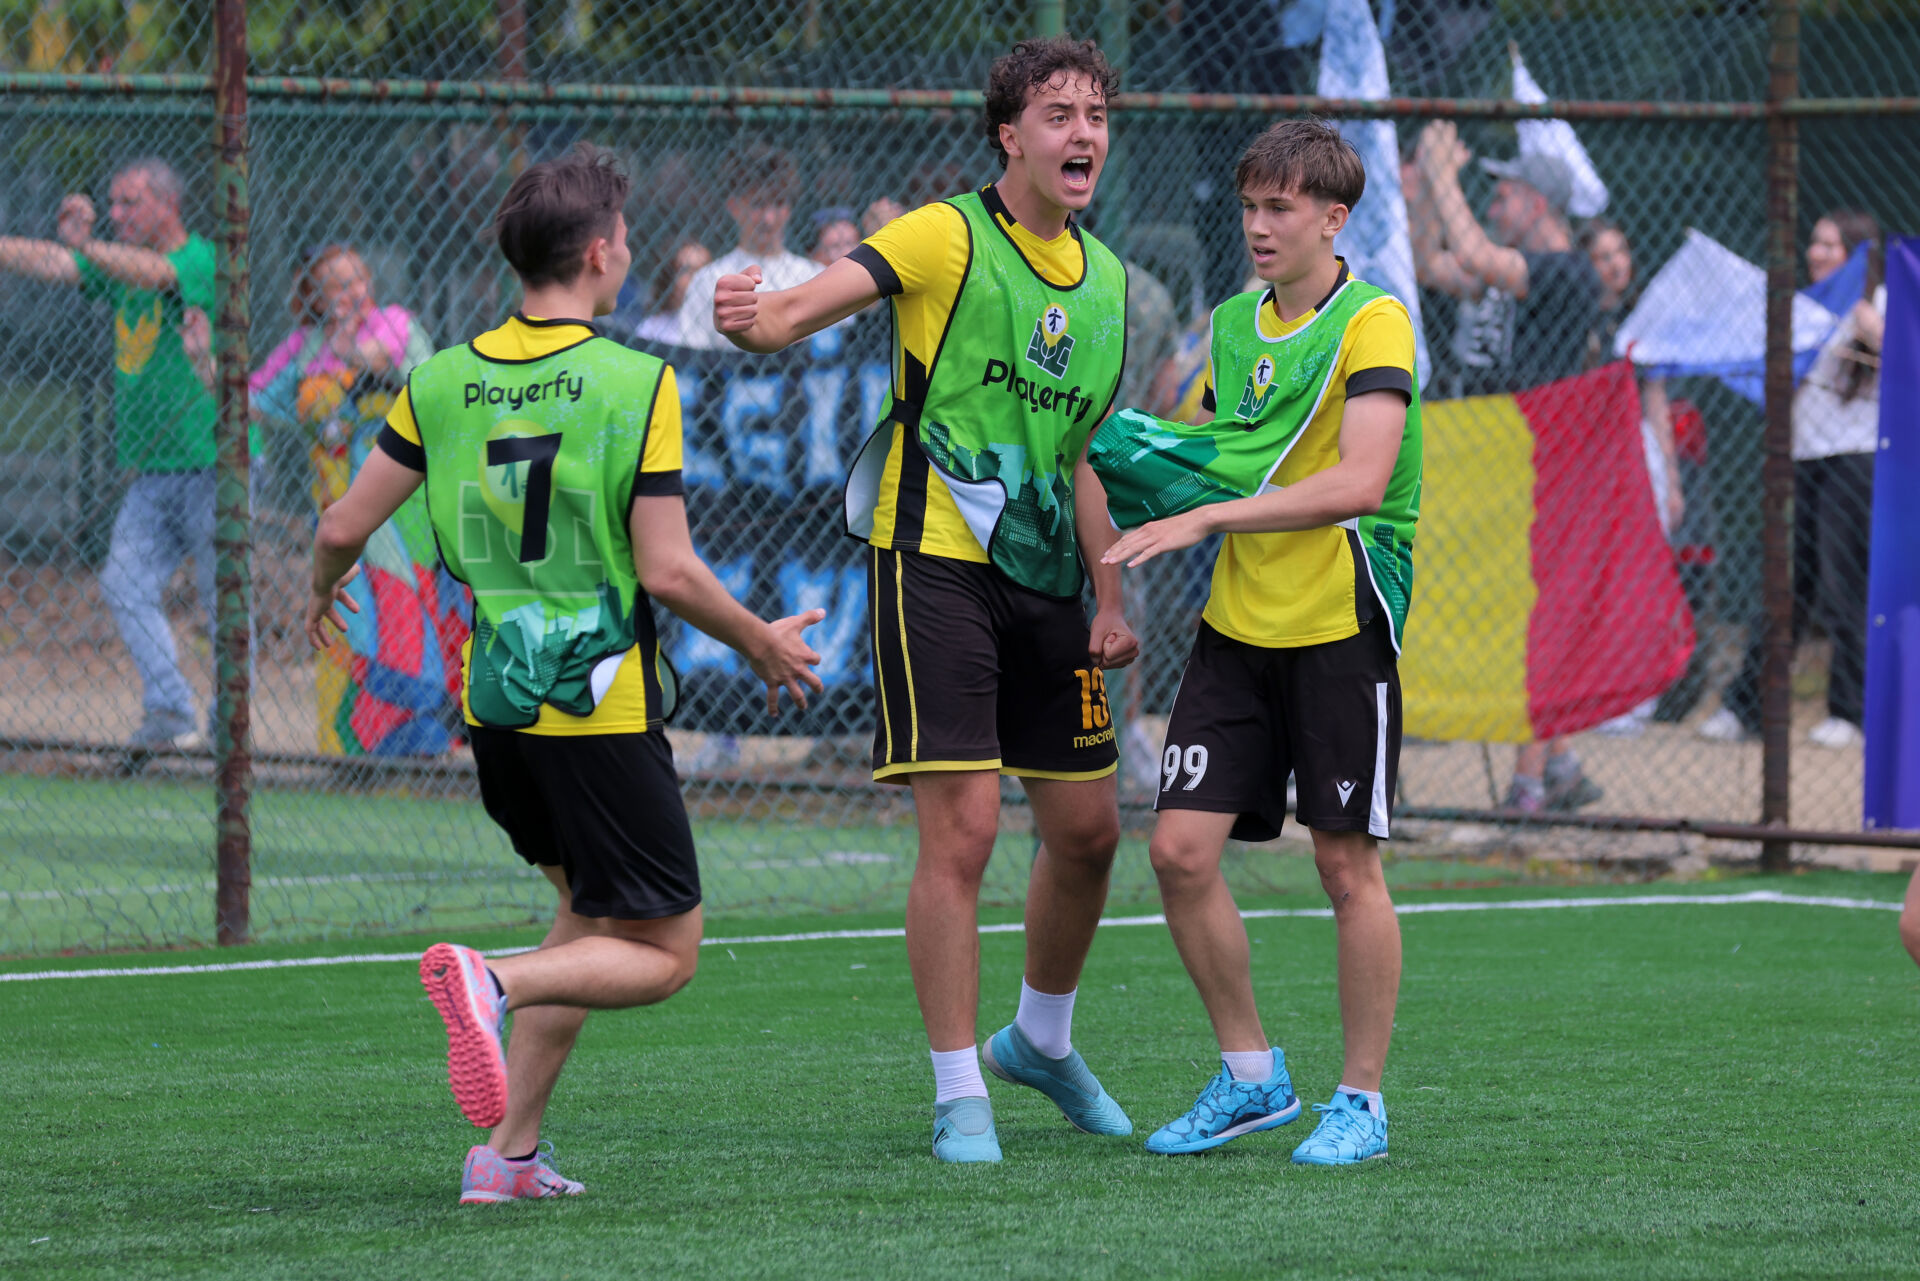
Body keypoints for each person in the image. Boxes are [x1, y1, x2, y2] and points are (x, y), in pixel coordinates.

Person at [304, 146, 824, 1203]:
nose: (629, 252)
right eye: (623, 239)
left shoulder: (439, 380)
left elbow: (340, 527)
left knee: (588, 918)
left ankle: (506, 1157)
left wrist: (320, 590)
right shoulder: (636, 381)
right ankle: (491, 979)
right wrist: (760, 640)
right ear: (597, 253)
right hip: (596, 710)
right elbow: (668, 570)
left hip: (497, 711)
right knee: (666, 952)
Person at [711, 35, 1139, 1164]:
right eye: (1059, 115)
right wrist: (755, 313)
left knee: (1089, 834)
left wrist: (1109, 592)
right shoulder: (945, 234)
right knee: (965, 829)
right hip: (932, 558)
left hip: (1050, 580)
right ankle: (960, 1094)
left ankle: (1039, 1042)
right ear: (1010, 135)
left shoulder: (1107, 282)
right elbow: (798, 311)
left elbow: (1084, 458)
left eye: (1096, 115)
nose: (1083, 134)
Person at [1097, 118, 1421, 1166]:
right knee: (1178, 852)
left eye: (1281, 208)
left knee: (1345, 868)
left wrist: (1203, 516)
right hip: (1237, 627)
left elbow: (1359, 481)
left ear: (1334, 218)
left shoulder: (1375, 323)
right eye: (1248, 207)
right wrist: (1110, 451)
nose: (1258, 226)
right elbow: (1206, 448)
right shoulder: (1234, 324)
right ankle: (1250, 1077)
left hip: (1340, 624)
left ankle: (1360, 1102)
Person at [0, 158, 260, 750]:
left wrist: (88, 243)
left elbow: (155, 272)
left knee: (223, 596)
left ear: (167, 204)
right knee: (124, 582)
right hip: (154, 472)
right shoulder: (115, 264)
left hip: (217, 461)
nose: (116, 214)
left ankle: (231, 720)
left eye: (129, 203)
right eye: (112, 203)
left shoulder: (201, 258)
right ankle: (169, 711)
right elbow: (57, 263)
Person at [1410, 123, 1603, 811]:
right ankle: (1560, 764)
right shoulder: (1506, 268)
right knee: (1507, 604)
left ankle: (1530, 780)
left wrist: (1443, 173)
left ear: (1538, 203)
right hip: (1492, 459)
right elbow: (1429, 262)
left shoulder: (1566, 271)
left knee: (1533, 611)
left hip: (1540, 465)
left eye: (1506, 193)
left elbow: (1475, 254)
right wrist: (1425, 193)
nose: (1494, 203)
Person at [251, 245, 460, 755]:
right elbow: (254, 401)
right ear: (314, 297)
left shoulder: (396, 324)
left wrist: (347, 348)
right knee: (352, 618)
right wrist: (202, 360)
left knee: (409, 610)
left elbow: (413, 375)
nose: (348, 294)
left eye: (354, 281)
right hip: (337, 508)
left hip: (407, 506)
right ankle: (353, 747)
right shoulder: (303, 348)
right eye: (333, 286)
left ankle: (423, 741)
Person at [1700, 209, 1883, 750]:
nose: (1815, 253)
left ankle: (1849, 712)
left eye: (1830, 245)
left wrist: (1859, 314)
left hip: (1853, 459)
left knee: (1844, 587)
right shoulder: (1803, 308)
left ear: (1858, 255)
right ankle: (1747, 706)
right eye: (1815, 243)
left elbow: (1902, 354)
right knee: (1784, 589)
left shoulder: (1876, 302)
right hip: (1803, 457)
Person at [674, 142, 823, 350]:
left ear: (790, 208)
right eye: (758, 204)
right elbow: (692, 350)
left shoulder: (813, 275)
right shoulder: (709, 279)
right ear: (734, 206)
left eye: (779, 203)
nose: (769, 218)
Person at [634, 238, 710, 346]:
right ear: (669, 277)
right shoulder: (652, 329)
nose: (699, 278)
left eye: (706, 270)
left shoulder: (720, 326)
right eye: (688, 270)